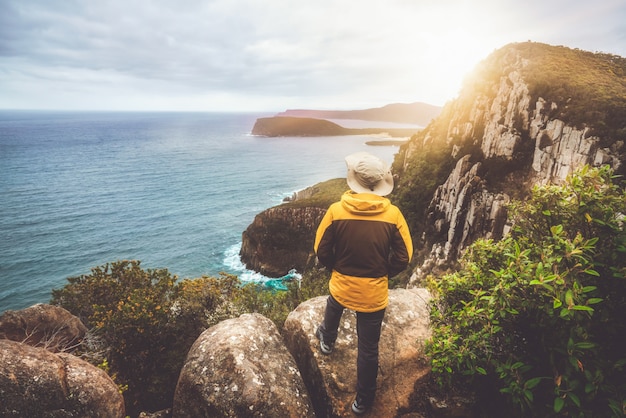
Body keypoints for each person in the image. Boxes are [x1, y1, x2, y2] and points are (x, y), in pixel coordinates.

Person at [314, 151, 413, 415]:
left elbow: (320, 249)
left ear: (353, 181)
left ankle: (327, 339)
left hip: (342, 284)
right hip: (373, 294)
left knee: (334, 304)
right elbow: (405, 257)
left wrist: (337, 268)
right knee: (368, 350)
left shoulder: (335, 211)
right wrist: (382, 272)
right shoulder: (393, 215)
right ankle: (364, 402)